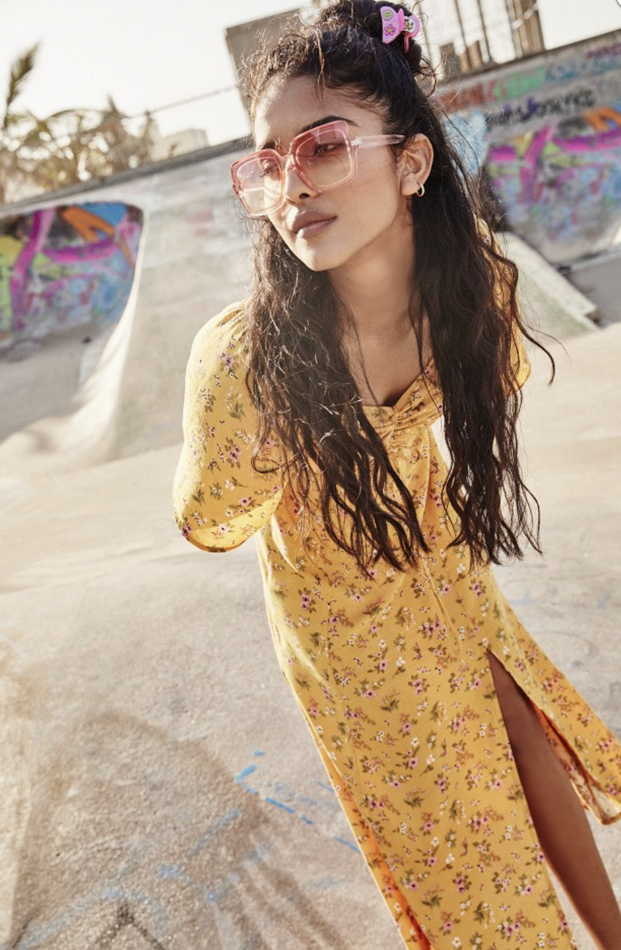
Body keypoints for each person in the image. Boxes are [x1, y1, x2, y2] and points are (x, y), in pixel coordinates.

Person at [172, 2, 621, 946]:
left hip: (432, 542)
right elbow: (210, 519)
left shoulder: (475, 288)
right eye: (268, 162)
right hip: (340, 620)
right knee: (454, 848)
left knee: (517, 717)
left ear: (411, 163)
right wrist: (277, 431)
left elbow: (491, 376)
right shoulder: (243, 362)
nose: (293, 182)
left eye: (324, 146)